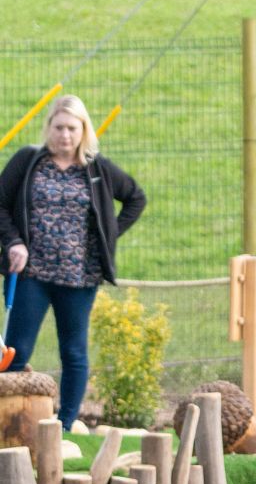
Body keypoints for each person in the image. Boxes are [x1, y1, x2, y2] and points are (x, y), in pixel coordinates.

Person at [0, 94, 146, 429]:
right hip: (31, 275)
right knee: (16, 351)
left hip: (80, 278)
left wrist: (108, 237)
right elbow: (1, 204)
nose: (64, 135)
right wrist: (13, 242)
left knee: (74, 352)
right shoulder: (28, 161)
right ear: (48, 127)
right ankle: (6, 422)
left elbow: (136, 198)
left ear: (84, 131)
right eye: (58, 127)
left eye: (72, 128)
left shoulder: (98, 170)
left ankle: (65, 426)